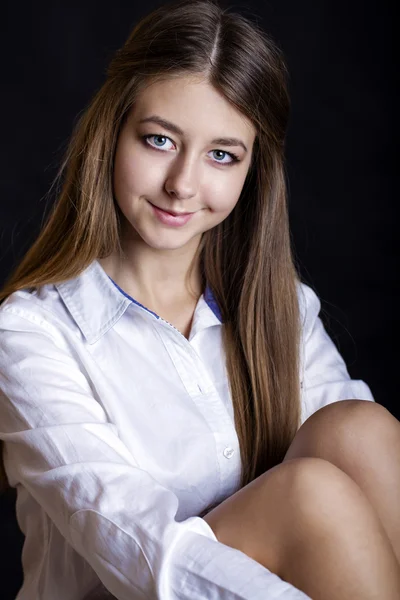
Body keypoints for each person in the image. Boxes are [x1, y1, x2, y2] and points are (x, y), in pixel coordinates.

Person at [1, 0, 399, 598]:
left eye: (221, 155)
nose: (183, 184)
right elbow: (144, 553)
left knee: (357, 429)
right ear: (113, 133)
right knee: (309, 496)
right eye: (159, 140)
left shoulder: (278, 307)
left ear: (251, 170)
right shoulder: (29, 334)